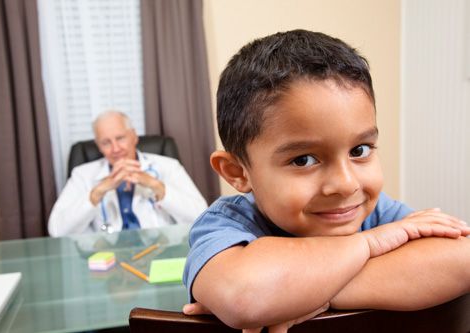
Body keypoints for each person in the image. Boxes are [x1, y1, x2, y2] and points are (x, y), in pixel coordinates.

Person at [181, 29, 470, 332]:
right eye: (303, 159)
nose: (346, 185)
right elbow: (245, 297)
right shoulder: (224, 225)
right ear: (238, 172)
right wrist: (369, 244)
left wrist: (295, 295)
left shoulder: (375, 213)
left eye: (359, 150)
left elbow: (462, 258)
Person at [48, 110, 207, 237]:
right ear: (98, 146)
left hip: (160, 254)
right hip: (109, 260)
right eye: (106, 142)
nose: (116, 149)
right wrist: (99, 191)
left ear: (134, 136)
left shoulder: (168, 166)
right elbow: (57, 230)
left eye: (120, 138)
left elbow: (201, 218)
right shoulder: (83, 175)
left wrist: (155, 185)